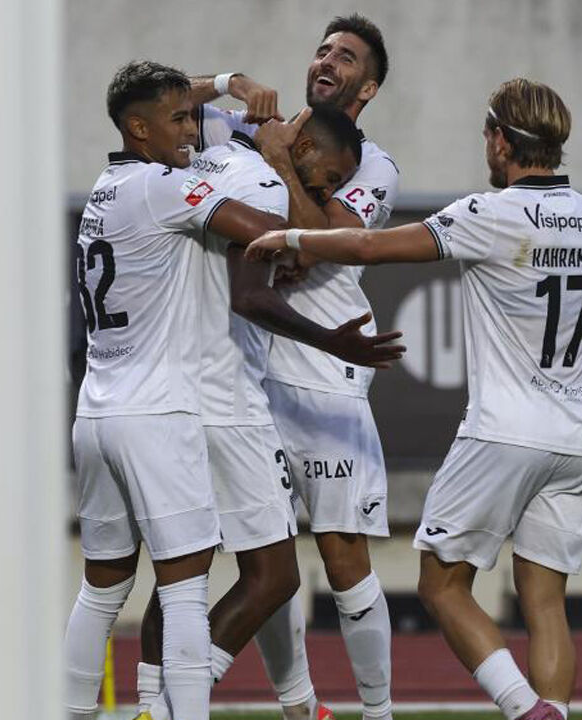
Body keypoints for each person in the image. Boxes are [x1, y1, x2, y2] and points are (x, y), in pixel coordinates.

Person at [245, 77, 582, 720]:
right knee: (545, 602)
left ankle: (522, 709)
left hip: (504, 428)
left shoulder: (490, 213)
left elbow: (370, 245)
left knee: (442, 581)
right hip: (577, 435)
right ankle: (555, 713)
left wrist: (292, 239)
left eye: (487, 131)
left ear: (501, 139)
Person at [65, 60, 390, 720]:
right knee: (261, 577)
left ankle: (152, 703)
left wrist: (227, 80)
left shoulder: (151, 174)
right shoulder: (247, 181)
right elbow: (260, 285)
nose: (320, 190)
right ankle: (167, 711)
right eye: (324, 178)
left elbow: (166, 100)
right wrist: (334, 337)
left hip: (104, 402)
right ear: (301, 149)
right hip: (206, 400)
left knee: (118, 586)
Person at [187, 15, 400, 720]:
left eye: (346, 57)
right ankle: (302, 707)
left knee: (342, 559)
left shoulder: (375, 164)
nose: (327, 61)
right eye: (323, 49)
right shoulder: (251, 123)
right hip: (252, 367)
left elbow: (317, 246)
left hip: (327, 370)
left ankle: (378, 710)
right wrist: (228, 83)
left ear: (366, 86)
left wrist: (280, 160)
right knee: (267, 555)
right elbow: (158, 105)